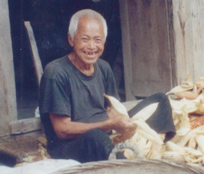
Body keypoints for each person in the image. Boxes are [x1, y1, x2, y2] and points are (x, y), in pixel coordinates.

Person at [39, 9, 175, 163]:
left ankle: (155, 148)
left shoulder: (103, 68)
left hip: (107, 134)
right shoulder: (56, 73)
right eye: (85, 39)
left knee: (160, 99)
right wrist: (109, 125)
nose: (91, 46)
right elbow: (62, 130)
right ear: (71, 40)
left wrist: (124, 123)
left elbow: (111, 109)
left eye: (97, 40)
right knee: (95, 137)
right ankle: (126, 166)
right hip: (72, 145)